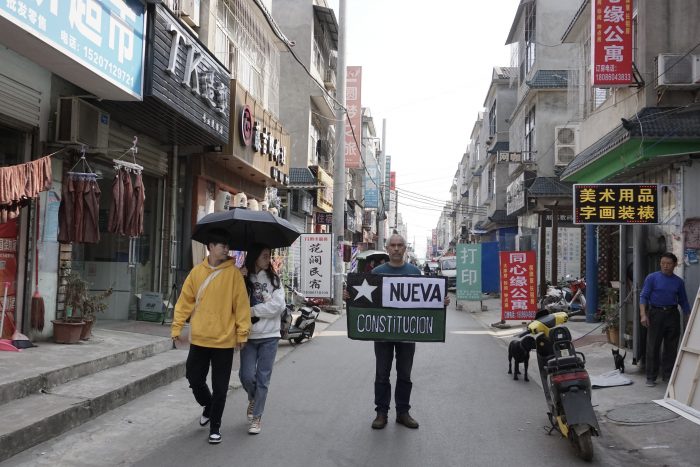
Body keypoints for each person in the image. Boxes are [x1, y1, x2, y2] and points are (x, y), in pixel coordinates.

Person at [354, 234, 449, 430]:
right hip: (382, 332)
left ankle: (403, 412)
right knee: (382, 374)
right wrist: (350, 295)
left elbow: (426, 300)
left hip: (408, 333)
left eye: (400, 245)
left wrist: (441, 301)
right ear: (387, 248)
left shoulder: (414, 272)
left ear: (405, 248)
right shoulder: (377, 272)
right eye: (393, 245)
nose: (396, 249)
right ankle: (381, 413)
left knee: (404, 374)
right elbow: (364, 300)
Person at [171, 229, 251, 444]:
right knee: (194, 378)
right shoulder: (196, 273)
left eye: (227, 245)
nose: (225, 248)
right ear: (210, 247)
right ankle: (208, 405)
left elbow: (241, 306)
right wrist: (176, 327)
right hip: (199, 338)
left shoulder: (233, 274)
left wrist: (242, 333)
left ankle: (215, 427)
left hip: (224, 341)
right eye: (221, 245)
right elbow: (184, 302)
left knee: (221, 387)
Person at [238, 244, 286, 435]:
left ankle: (257, 417)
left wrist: (251, 311)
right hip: (249, 335)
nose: (268, 259)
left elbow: (278, 306)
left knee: (263, 378)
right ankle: (253, 398)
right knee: (246, 376)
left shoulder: (274, 280)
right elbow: (235, 301)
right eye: (265, 256)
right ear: (255, 257)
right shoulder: (243, 277)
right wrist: (238, 278)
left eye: (269, 256)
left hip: (270, 336)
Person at [639, 252, 691, 387]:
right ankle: (651, 377)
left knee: (671, 346)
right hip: (655, 313)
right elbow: (643, 296)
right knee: (653, 346)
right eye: (663, 263)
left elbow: (684, 301)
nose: (665, 266)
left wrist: (688, 316)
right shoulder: (652, 278)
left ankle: (668, 376)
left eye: (668, 264)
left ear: (674, 265)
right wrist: (643, 315)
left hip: (673, 314)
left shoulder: (678, 282)